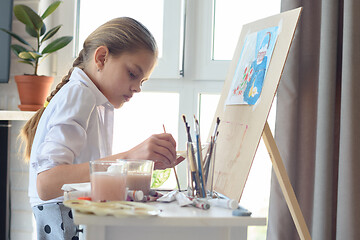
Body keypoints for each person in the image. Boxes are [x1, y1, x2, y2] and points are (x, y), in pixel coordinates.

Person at [20, 17, 183, 239]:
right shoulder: (80, 94)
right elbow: (47, 183)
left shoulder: (93, 100)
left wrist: (141, 165)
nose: (137, 88)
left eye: (142, 81)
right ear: (102, 57)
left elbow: (85, 173)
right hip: (65, 219)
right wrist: (130, 157)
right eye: (133, 74)